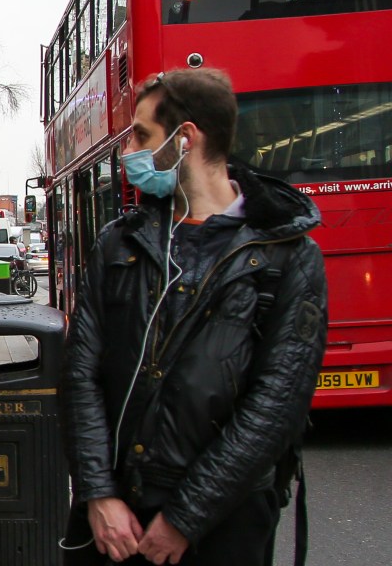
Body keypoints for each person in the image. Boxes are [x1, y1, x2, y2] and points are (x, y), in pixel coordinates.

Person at [60, 68, 327, 566]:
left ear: (185, 139)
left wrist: (185, 516)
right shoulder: (121, 243)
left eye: (142, 136)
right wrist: (98, 493)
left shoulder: (288, 256)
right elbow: (81, 373)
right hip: (114, 525)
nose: (128, 153)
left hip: (224, 527)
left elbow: (275, 407)